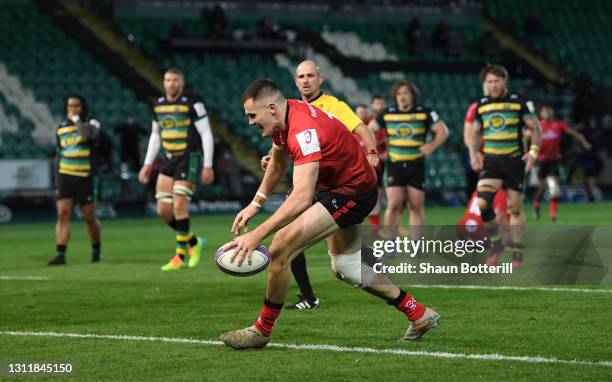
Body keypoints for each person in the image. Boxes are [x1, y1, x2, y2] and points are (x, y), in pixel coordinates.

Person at [220, 78, 439, 350]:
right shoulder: (284, 117)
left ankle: (261, 331)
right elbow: (277, 161)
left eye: (253, 115)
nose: (250, 122)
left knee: (279, 249)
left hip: (352, 191)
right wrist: (255, 203)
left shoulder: (302, 130)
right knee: (346, 267)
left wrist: (257, 234)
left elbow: (301, 197)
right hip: (339, 187)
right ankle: (419, 314)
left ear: (273, 109)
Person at [260, 60, 379, 311]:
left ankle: (363, 258)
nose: (305, 80)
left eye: (310, 76)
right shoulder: (288, 110)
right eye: (301, 76)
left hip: (337, 183)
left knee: (335, 255)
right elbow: (291, 147)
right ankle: (308, 296)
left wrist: (371, 153)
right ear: (295, 81)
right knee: (289, 238)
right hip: (311, 182)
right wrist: (272, 159)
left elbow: (361, 128)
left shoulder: (333, 106)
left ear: (320, 79)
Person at [138, 68, 215, 271]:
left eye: (175, 80)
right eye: (167, 80)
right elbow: (155, 136)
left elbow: (206, 134)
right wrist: (147, 163)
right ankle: (194, 242)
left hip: (189, 157)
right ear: (164, 82)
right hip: (168, 159)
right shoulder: (158, 105)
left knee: (179, 206)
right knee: (163, 211)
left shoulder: (193, 103)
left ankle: (180, 256)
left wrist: (207, 165)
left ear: (182, 82)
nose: (171, 83)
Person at [466, 65, 542, 267]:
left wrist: (532, 153)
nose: (492, 85)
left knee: (514, 208)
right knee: (483, 204)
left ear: (504, 81)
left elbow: (535, 129)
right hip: (491, 162)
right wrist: (474, 154)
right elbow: (474, 133)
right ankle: (497, 244)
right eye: (489, 82)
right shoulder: (481, 105)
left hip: (514, 162)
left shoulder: (519, 102)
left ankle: (517, 252)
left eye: (496, 81)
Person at [369, 81, 448, 244]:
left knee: (416, 206)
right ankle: (390, 243)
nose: (402, 97)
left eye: (406, 93)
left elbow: (443, 131)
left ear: (413, 95)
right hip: (394, 165)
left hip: (416, 165)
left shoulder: (425, 112)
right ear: (395, 96)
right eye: (399, 94)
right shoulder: (386, 113)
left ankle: (416, 245)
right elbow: (369, 130)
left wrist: (431, 146)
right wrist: (374, 150)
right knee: (393, 204)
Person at [48, 95, 102, 265]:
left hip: (85, 176)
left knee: (89, 217)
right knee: (63, 214)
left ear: (82, 107)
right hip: (65, 176)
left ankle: (96, 250)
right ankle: (60, 254)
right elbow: (59, 153)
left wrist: (77, 120)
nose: (73, 109)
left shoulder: (91, 124)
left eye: (77, 106)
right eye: (70, 106)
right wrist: (57, 179)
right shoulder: (61, 128)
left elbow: (87, 136)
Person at [533, 105, 591, 221]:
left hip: (554, 160)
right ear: (541, 114)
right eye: (545, 111)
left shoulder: (558, 124)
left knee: (554, 188)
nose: (548, 113)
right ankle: (536, 204)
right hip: (541, 161)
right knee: (542, 188)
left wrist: (584, 142)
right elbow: (528, 138)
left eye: (549, 111)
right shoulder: (537, 126)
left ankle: (553, 215)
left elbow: (573, 133)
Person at [367, 95, 387, 237]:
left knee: (389, 196)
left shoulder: (388, 120)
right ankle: (375, 228)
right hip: (373, 163)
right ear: (372, 105)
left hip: (387, 162)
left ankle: (388, 227)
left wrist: (386, 152)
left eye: (381, 103)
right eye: (377, 103)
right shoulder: (370, 122)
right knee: (375, 195)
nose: (379, 106)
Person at [114, 113, 147, 178]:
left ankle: (138, 173)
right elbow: (116, 130)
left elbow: (145, 131)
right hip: (125, 147)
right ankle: (124, 172)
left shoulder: (135, 125)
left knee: (136, 160)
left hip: (134, 147)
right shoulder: (123, 125)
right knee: (124, 159)